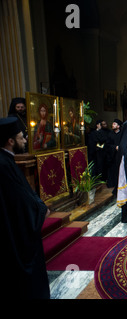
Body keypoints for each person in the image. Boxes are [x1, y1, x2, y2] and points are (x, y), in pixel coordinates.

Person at [0, 117, 50, 299]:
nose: (25, 140)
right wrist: (40, 210)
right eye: (22, 137)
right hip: (17, 234)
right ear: (10, 141)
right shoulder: (4, 165)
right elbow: (20, 200)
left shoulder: (6, 160)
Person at [105, 119, 123, 191]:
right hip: (112, 156)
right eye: (113, 124)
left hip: (120, 155)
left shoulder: (122, 134)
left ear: (118, 126)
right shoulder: (110, 134)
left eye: (114, 124)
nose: (113, 125)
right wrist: (114, 147)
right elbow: (107, 145)